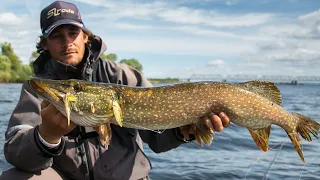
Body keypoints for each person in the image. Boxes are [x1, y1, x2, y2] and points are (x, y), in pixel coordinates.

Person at [1, 1, 230, 180]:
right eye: (57, 36)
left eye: (73, 33)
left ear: (85, 36)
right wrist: (47, 136)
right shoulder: (38, 90)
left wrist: (184, 131)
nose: (67, 42)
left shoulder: (122, 76)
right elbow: (15, 152)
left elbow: (158, 141)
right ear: (44, 44)